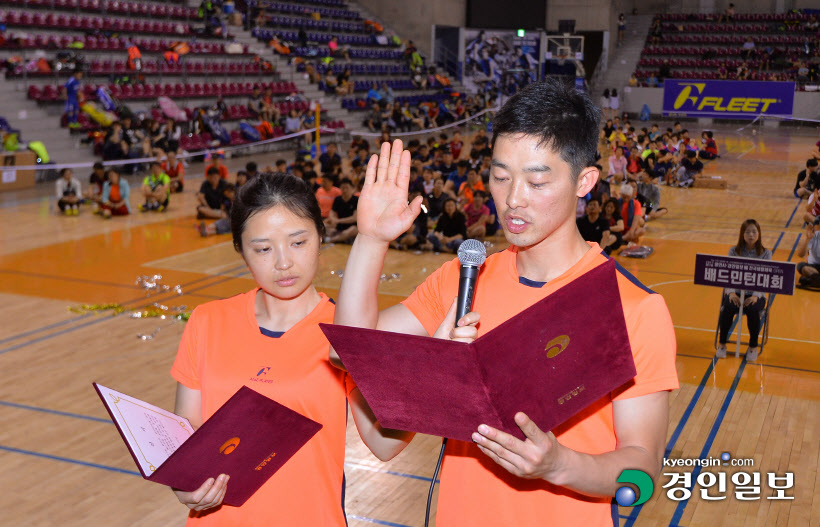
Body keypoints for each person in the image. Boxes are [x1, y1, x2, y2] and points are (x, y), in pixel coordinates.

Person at [331, 78, 677, 526]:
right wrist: (371, 239)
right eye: (500, 176)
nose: (513, 200)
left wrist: (559, 465)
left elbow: (644, 473)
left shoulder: (632, 309)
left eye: (536, 181)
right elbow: (350, 352)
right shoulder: (464, 281)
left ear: (584, 181)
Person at [171, 173, 410, 524]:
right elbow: (186, 437)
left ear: (320, 236)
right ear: (241, 250)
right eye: (263, 249)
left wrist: (424, 377)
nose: (283, 262)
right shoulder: (207, 321)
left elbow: (385, 443)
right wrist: (183, 483)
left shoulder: (343, 329)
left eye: (298, 242)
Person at [715, 219, 771, 361]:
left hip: (755, 295)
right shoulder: (733, 251)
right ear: (742, 234)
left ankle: (753, 347)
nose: (751, 235)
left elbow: (765, 278)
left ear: (759, 234)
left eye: (754, 232)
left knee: (753, 310)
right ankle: (722, 343)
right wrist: (732, 292)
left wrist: (756, 296)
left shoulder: (766, 254)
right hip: (736, 292)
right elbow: (728, 274)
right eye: (747, 232)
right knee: (728, 306)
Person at [324, 179, 358, 243]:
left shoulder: (356, 200)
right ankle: (339, 238)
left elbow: (354, 218)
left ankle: (331, 239)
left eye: (347, 188)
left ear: (352, 189)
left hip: (352, 227)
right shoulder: (338, 199)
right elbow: (332, 212)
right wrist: (333, 219)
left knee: (352, 231)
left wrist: (338, 221)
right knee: (323, 225)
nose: (344, 190)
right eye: (342, 188)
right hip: (338, 227)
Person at [795, 221, 820, 289]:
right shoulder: (814, 235)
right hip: (813, 268)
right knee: (801, 266)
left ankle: (811, 281)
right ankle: (816, 280)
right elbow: (800, 254)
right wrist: (807, 239)